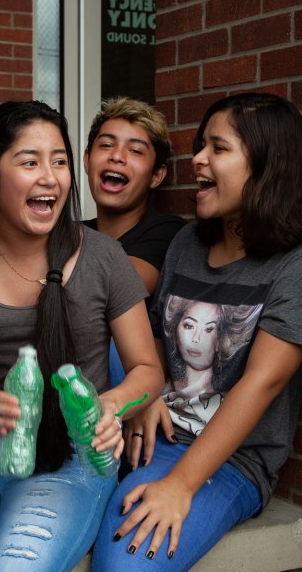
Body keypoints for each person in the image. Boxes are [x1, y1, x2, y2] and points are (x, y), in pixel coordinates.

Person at [92, 92, 302, 571]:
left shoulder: (298, 264)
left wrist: (180, 485)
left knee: (127, 560)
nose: (197, 159)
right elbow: (150, 335)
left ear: (266, 166)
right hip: (154, 434)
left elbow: (265, 381)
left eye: (217, 148)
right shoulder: (186, 243)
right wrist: (148, 391)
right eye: (201, 146)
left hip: (228, 463)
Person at [0, 100, 165, 572]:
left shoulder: (102, 256)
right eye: (30, 161)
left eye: (59, 161)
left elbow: (147, 369)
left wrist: (110, 407)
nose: (50, 177)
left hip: (74, 458)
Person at [81, 97, 185, 386]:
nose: (117, 156)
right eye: (106, 145)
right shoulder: (71, 233)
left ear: (157, 175)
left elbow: (111, 291)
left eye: (135, 150)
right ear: (87, 160)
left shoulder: (167, 232)